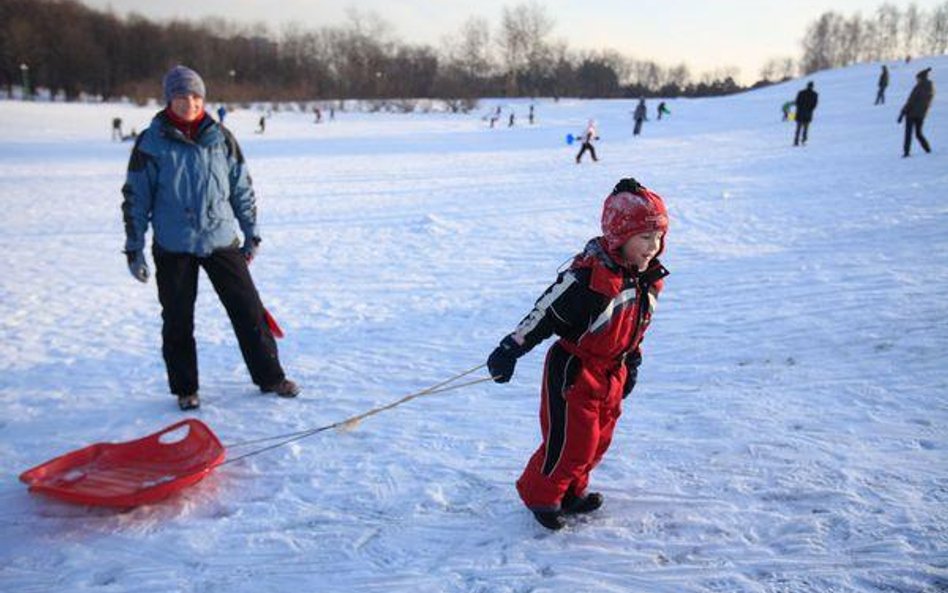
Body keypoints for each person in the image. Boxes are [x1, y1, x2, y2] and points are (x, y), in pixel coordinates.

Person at [486, 177, 669, 531]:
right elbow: (545, 313)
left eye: (658, 237)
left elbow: (637, 327)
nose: (653, 246)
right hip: (575, 368)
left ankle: (571, 492)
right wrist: (510, 348)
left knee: (599, 440)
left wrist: (632, 362)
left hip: (612, 371)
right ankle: (541, 494)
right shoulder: (589, 278)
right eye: (645, 237)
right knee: (572, 442)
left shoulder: (648, 279)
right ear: (619, 235)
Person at [121, 65, 299, 411]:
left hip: (220, 240)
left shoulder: (221, 137)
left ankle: (271, 377)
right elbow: (136, 197)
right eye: (182, 95)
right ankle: (185, 389)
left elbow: (241, 187)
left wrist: (251, 232)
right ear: (169, 99)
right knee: (177, 319)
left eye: (196, 95)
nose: (190, 102)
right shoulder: (151, 141)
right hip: (174, 246)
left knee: (248, 312)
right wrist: (134, 247)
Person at [898, 67, 934, 158]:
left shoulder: (919, 87)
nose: (916, 80)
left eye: (917, 78)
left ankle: (906, 152)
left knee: (908, 133)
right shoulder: (931, 87)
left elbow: (911, 101)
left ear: (921, 78)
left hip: (911, 114)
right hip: (921, 115)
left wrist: (902, 113)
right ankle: (927, 149)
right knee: (918, 133)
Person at [793, 82, 818, 146]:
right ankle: (803, 141)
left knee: (798, 128)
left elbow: (796, 102)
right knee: (805, 128)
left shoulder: (801, 93)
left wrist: (800, 108)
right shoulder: (815, 94)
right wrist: (809, 109)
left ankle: (796, 141)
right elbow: (814, 105)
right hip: (808, 114)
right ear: (812, 86)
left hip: (800, 113)